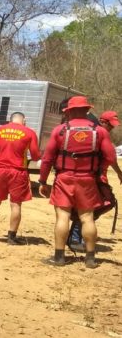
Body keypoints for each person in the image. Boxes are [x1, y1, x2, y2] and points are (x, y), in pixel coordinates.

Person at [38, 96, 117, 268]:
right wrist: (98, 170)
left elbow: (47, 159)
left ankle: (59, 257)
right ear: (86, 110)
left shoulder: (60, 130)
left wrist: (43, 181)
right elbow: (110, 157)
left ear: (70, 111)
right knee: (87, 218)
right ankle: (90, 259)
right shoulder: (100, 131)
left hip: (64, 178)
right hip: (88, 179)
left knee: (62, 216)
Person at [66, 110, 122, 251]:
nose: (111, 128)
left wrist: (119, 173)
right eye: (110, 125)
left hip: (96, 176)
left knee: (95, 207)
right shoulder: (96, 135)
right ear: (103, 122)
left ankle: (75, 237)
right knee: (92, 208)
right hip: (92, 177)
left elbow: (111, 158)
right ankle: (74, 238)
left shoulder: (100, 135)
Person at [0, 112, 41, 245]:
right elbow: (35, 156)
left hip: (0, 169)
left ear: (10, 120)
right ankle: (11, 237)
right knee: (16, 204)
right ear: (24, 120)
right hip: (18, 171)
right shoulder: (29, 132)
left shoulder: (0, 130)